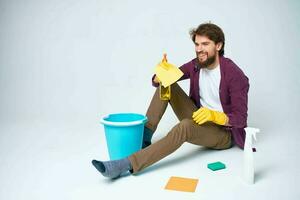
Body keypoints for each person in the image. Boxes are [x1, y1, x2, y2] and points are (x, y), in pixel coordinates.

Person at [92, 22, 249, 179]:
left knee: (185, 127)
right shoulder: (196, 65)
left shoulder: (235, 75)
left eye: (205, 44)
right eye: (197, 44)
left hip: (223, 133)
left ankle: (126, 164)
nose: (199, 49)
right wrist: (161, 73)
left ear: (218, 46)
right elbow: (169, 77)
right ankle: (145, 139)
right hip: (199, 118)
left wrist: (215, 116)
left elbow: (240, 119)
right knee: (167, 84)